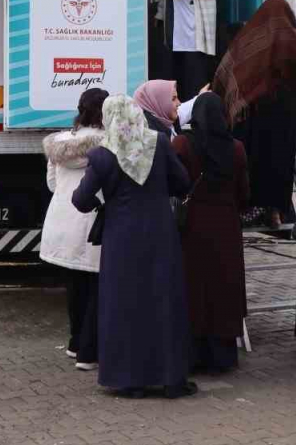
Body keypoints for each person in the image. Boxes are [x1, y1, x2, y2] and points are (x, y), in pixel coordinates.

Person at [71, 94, 196, 399]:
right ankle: (170, 378)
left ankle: (129, 380)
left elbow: (80, 200)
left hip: (121, 241)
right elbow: (182, 183)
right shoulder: (160, 143)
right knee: (163, 302)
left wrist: (106, 202)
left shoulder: (103, 155)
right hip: (159, 235)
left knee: (125, 306)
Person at [211, 0, 296, 228]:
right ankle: (275, 211)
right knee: (281, 163)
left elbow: (227, 72)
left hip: (255, 119)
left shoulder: (249, 39)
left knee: (254, 162)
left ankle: (252, 208)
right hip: (285, 119)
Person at [171, 92, 248, 374]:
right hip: (226, 224)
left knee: (193, 286)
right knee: (223, 285)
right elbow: (244, 192)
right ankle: (223, 356)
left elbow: (174, 182)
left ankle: (193, 353)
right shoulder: (237, 148)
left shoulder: (183, 143)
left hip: (191, 225)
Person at [41, 88, 108, 371]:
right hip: (91, 219)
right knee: (95, 285)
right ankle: (89, 349)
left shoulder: (59, 143)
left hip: (61, 218)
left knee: (74, 285)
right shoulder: (107, 144)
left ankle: (75, 341)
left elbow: (52, 184)